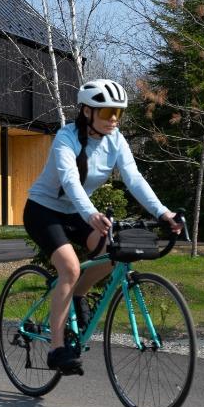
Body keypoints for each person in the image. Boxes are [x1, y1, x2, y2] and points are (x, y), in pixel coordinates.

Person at [23, 79, 182, 374]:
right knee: (69, 268)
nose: (113, 119)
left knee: (114, 252)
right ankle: (57, 348)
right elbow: (70, 180)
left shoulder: (116, 140)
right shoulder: (66, 138)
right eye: (108, 112)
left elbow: (134, 178)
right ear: (87, 111)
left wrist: (163, 213)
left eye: (118, 113)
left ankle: (79, 295)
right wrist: (91, 213)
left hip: (80, 213)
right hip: (44, 212)